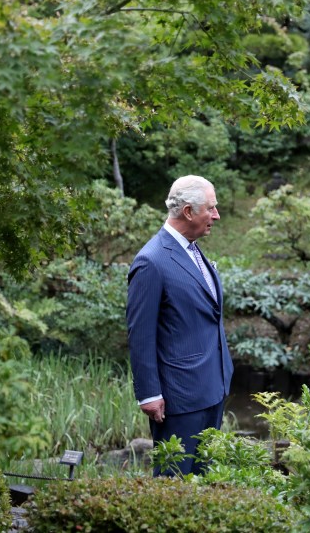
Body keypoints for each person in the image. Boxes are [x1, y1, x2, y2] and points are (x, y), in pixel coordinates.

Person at [126, 175, 234, 476]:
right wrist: (149, 394)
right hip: (180, 396)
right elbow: (140, 334)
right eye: (210, 209)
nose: (216, 215)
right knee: (175, 482)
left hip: (213, 387)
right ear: (188, 212)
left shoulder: (193, 249)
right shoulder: (152, 261)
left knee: (205, 480)